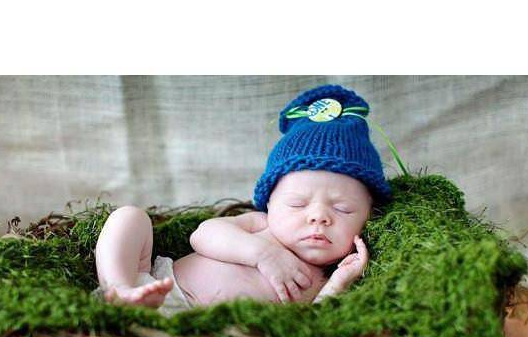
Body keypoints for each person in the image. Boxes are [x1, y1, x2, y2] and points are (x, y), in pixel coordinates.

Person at [94, 84, 391, 314]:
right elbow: (203, 235)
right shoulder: (261, 225)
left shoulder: (322, 281)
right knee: (129, 218)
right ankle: (118, 288)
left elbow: (313, 322)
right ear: (270, 203)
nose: (318, 216)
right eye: (297, 203)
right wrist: (262, 253)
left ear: (368, 215)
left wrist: (339, 282)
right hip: (154, 286)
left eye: (342, 208)